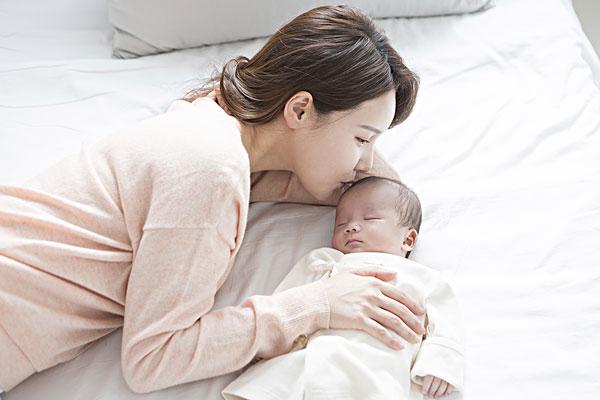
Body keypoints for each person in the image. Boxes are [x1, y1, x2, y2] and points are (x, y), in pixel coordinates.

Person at [0, 5, 424, 395]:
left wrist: (355, 141)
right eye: (362, 139)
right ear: (298, 110)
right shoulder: (210, 170)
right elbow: (153, 358)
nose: (366, 161)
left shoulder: (211, 120)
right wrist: (318, 304)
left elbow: (384, 188)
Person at [222, 177, 464, 400]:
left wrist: (440, 362)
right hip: (312, 357)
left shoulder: (423, 278)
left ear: (408, 240)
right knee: (279, 381)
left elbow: (445, 323)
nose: (351, 227)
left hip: (378, 365)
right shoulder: (328, 261)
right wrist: (268, 343)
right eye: (341, 223)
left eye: (370, 219)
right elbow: (291, 298)